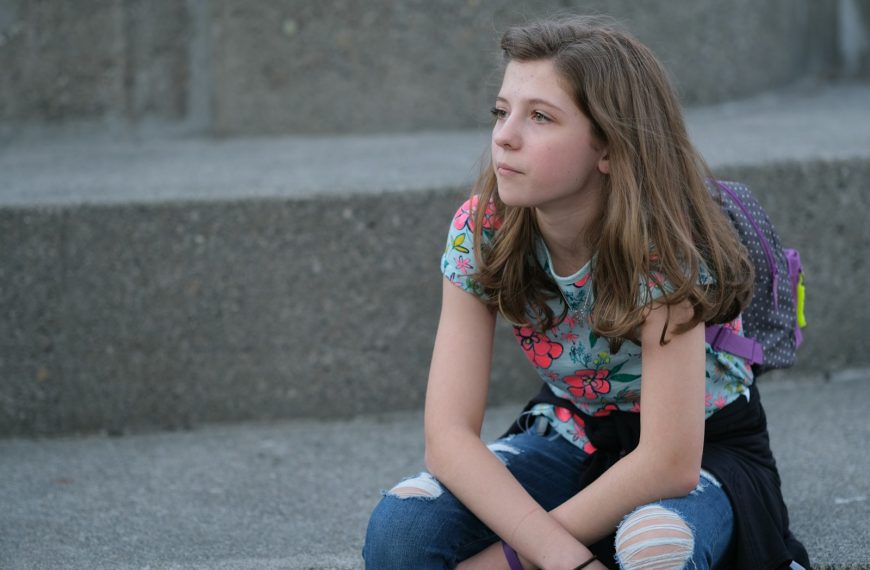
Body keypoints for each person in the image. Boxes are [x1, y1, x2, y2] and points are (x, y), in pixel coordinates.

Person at [363, 15, 809, 570]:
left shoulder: (663, 245)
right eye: (502, 112)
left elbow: (669, 462)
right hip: (575, 430)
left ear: (609, 147)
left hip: (702, 450)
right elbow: (449, 438)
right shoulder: (484, 230)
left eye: (540, 117)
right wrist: (557, 553)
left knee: (655, 549)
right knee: (400, 530)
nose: (505, 135)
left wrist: (509, 560)